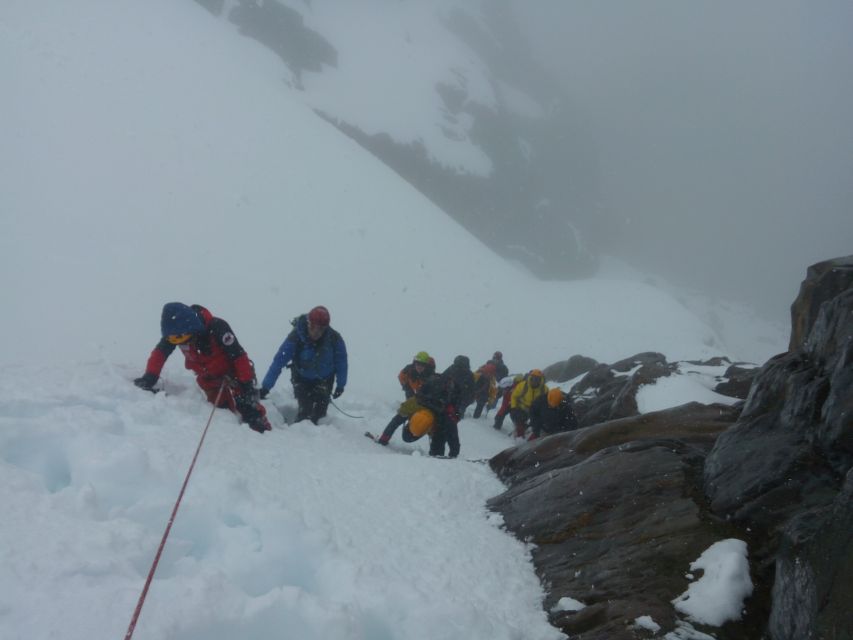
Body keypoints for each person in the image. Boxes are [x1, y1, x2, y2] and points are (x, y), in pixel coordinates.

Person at [134, 302, 271, 433]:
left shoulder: (218, 327)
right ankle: (232, 431)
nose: (179, 342)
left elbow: (239, 357)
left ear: (192, 328)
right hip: (209, 378)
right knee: (220, 411)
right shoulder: (176, 333)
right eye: (173, 340)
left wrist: (246, 384)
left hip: (236, 374)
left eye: (180, 338)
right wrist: (150, 376)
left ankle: (264, 432)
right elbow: (160, 354)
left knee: (249, 409)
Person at [259, 305, 348, 424]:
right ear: (308, 323)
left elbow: (341, 362)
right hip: (301, 379)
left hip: (325, 380)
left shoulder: (335, 339)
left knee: (320, 416)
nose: (316, 332)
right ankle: (297, 437)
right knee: (305, 412)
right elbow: (279, 361)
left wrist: (341, 385)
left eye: (321, 329)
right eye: (313, 327)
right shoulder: (296, 337)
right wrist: (266, 387)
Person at [509, 369, 549, 439]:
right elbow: (514, 396)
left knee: (537, 424)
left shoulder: (545, 389)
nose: (535, 380)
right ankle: (519, 436)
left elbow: (546, 403)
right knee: (519, 420)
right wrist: (514, 407)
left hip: (535, 410)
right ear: (530, 378)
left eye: (537, 379)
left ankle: (528, 434)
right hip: (522, 408)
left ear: (541, 380)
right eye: (533, 378)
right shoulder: (522, 385)